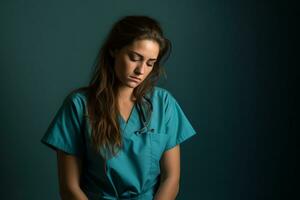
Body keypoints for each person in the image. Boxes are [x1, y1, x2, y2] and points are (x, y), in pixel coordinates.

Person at [41, 15, 197, 200]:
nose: (141, 70)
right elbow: (69, 187)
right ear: (114, 50)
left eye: (150, 63)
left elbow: (171, 179)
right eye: (134, 58)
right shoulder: (78, 105)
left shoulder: (164, 104)